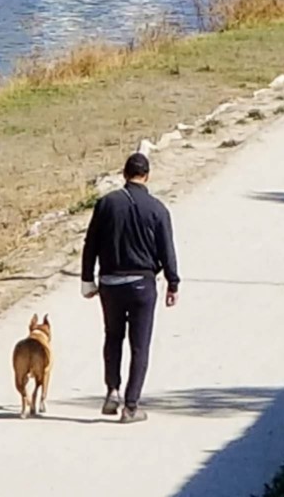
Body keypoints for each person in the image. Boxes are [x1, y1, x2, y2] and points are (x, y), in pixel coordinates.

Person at [80, 152, 180, 423]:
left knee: (112, 337)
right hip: (142, 285)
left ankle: (112, 390)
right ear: (146, 176)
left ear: (124, 174)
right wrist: (173, 282)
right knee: (140, 346)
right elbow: (167, 250)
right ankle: (131, 406)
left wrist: (87, 279)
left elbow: (90, 244)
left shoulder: (105, 204)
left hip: (110, 283)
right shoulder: (157, 209)